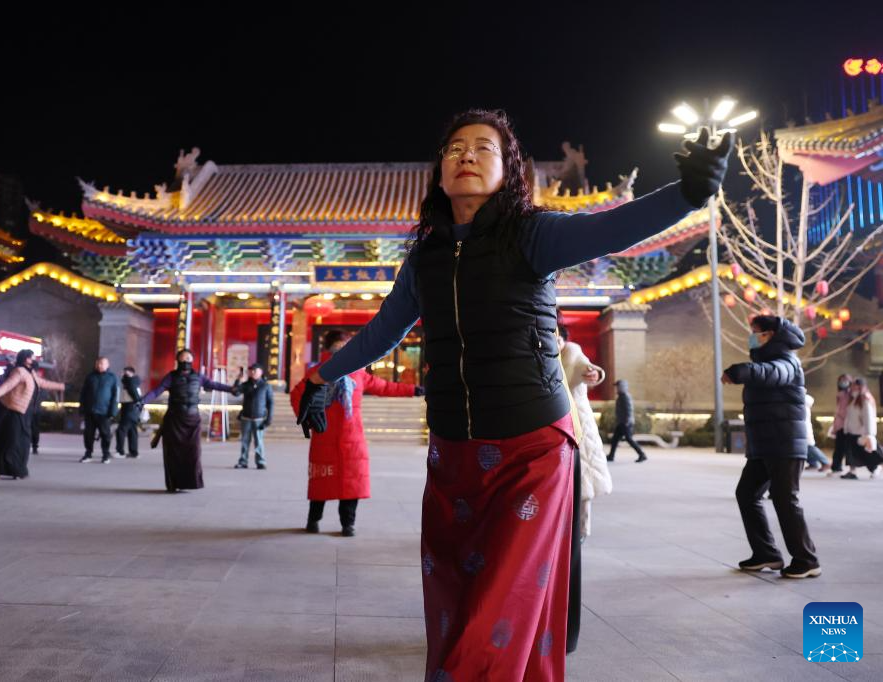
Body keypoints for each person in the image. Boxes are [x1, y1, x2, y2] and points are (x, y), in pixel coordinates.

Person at [294, 108, 731, 679]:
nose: (466, 156)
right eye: (454, 149)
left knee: (500, 606)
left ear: (509, 171)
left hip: (531, 450)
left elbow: (611, 227)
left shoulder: (532, 234)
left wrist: (689, 194)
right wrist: (322, 377)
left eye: (483, 148)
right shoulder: (424, 257)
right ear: (439, 171)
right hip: (451, 453)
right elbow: (381, 333)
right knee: (455, 596)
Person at [291, 330, 421, 536]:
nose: (343, 349)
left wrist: (412, 390)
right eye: (340, 345)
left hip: (352, 437)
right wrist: (304, 415)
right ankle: (313, 520)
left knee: (352, 483)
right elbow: (298, 394)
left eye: (346, 345)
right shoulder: (317, 372)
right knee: (321, 483)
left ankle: (347, 524)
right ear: (329, 347)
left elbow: (384, 387)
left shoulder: (358, 373)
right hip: (324, 434)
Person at [723, 315, 819, 578]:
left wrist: (739, 372)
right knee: (747, 493)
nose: (752, 337)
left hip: (785, 443)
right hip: (765, 445)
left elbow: (770, 373)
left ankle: (806, 560)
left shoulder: (787, 361)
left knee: (785, 498)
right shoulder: (767, 361)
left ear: (772, 335)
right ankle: (766, 553)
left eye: (757, 332)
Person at [141, 349, 236, 492]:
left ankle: (191, 482)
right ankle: (173, 484)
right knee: (173, 453)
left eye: (188, 359)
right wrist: (142, 401)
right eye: (183, 359)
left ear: (192, 361)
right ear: (178, 361)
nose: (186, 361)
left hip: (192, 419)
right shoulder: (171, 377)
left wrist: (232, 389)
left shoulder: (199, 376)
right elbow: (157, 391)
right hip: (175, 419)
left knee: (193, 452)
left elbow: (214, 385)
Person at [557, 325, 612, 536]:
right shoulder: (543, 357)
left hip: (578, 425)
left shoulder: (572, 352)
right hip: (557, 426)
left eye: (558, 338)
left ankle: (581, 532)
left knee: (583, 479)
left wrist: (595, 373)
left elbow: (588, 368)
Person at [0, 349, 65, 480]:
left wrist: (62, 386)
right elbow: (8, 386)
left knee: (20, 442)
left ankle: (14, 469)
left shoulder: (30, 373)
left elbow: (43, 383)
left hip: (24, 412)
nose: (34, 359)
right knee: (12, 442)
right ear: (25, 358)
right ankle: (2, 469)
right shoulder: (19, 371)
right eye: (31, 357)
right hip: (13, 411)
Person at [78, 357, 119, 463]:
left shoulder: (112, 378)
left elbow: (115, 396)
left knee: (105, 434)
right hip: (90, 411)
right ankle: (88, 454)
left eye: (102, 364)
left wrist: (113, 411)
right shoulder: (90, 377)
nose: (99, 366)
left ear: (107, 365)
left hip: (104, 412)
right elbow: (83, 393)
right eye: (98, 364)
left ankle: (105, 454)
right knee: (88, 434)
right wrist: (82, 408)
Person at [234, 363, 273, 469]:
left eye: (255, 370)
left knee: (259, 441)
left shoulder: (265, 385)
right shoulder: (246, 384)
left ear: (261, 372)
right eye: (251, 370)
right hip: (246, 417)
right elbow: (236, 392)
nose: (253, 372)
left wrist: (269, 418)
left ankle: (260, 461)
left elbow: (270, 403)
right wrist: (238, 380)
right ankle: (243, 461)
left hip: (259, 418)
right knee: (245, 441)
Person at [839, 378, 881, 480]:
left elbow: (868, 416)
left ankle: (875, 468)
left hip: (861, 432)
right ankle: (852, 471)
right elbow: (849, 416)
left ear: (860, 386)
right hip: (851, 431)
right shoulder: (853, 398)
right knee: (851, 453)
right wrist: (846, 428)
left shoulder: (865, 398)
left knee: (868, 453)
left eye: (854, 385)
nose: (851, 387)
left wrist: (869, 433)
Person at [607, 379, 647, 463]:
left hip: (625, 423)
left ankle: (642, 454)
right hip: (621, 422)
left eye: (618, 386)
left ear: (622, 387)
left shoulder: (625, 396)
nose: (616, 388)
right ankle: (611, 455)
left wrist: (627, 422)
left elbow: (629, 409)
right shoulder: (621, 396)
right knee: (615, 439)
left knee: (629, 439)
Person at [827, 374, 854, 476]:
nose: (843, 382)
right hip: (841, 425)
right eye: (841, 380)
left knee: (853, 448)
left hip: (849, 425)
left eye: (845, 380)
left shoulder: (852, 394)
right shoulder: (840, 394)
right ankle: (836, 468)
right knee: (839, 447)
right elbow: (839, 410)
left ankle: (874, 466)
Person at [115, 366, 143, 459]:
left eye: (125, 373)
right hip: (134, 409)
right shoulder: (135, 382)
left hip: (129, 408)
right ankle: (134, 452)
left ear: (130, 373)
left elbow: (135, 396)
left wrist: (137, 402)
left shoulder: (130, 382)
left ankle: (120, 452)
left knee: (121, 430)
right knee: (132, 430)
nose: (122, 375)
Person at [804, 394, 830, 472]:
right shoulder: (804, 401)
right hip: (803, 427)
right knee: (806, 447)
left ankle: (825, 462)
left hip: (803, 428)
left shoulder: (801, 401)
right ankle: (813, 463)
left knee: (810, 447)